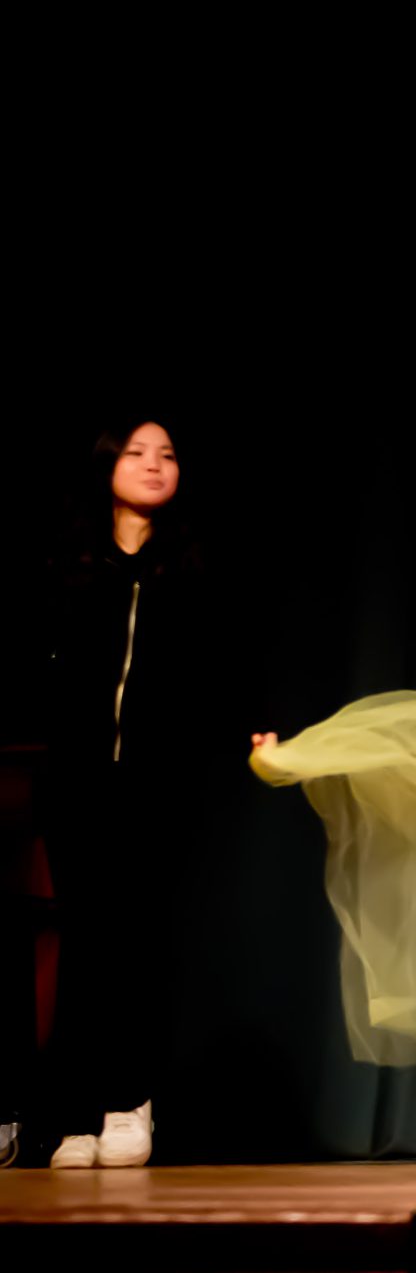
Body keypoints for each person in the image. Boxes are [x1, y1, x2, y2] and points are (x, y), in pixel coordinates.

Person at [37, 419, 243, 1169]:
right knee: (85, 942)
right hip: (78, 781)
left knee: (141, 942)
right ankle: (73, 1113)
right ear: (107, 466)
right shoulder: (69, 564)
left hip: (161, 784)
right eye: (137, 452)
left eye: (168, 455)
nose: (155, 464)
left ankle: (129, 1102)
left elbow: (224, 671)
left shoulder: (192, 566)